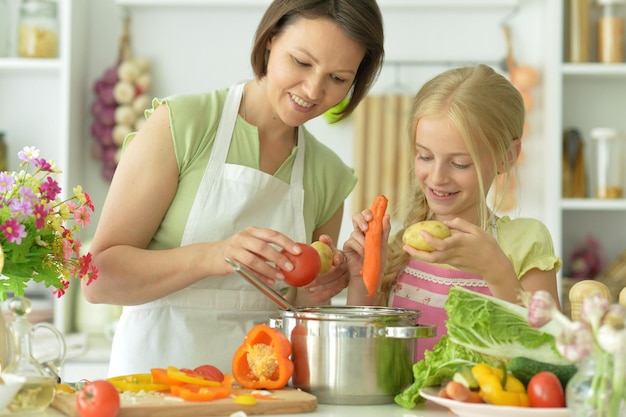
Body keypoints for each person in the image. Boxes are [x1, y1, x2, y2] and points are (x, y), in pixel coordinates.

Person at [83, 0, 385, 377]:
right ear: (271, 39)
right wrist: (213, 256)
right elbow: (98, 280)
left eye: (338, 78)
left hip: (263, 396)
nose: (313, 89)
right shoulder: (183, 126)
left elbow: (300, 312)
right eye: (302, 62)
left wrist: (323, 288)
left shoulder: (328, 175)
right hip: (155, 386)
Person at [343, 64, 562, 360]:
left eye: (459, 163)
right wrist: (363, 281)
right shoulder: (400, 249)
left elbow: (551, 354)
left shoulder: (524, 242)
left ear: (507, 157)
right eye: (425, 156)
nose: (436, 177)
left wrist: (496, 270)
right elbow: (363, 356)